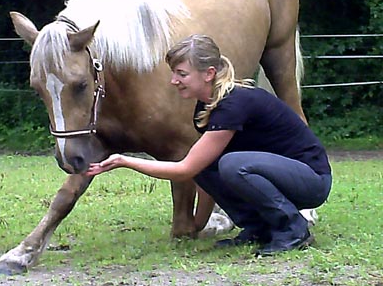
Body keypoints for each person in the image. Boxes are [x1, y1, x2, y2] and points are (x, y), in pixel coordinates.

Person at [86, 34, 332, 255]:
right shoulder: (207, 107)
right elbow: (202, 170)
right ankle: (258, 228)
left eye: (182, 74)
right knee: (211, 163)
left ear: (209, 73)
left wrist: (124, 160)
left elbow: (184, 170)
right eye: (174, 73)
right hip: (281, 176)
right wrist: (197, 224)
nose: (173, 81)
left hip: (311, 180)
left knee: (233, 164)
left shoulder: (234, 104)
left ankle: (293, 229)